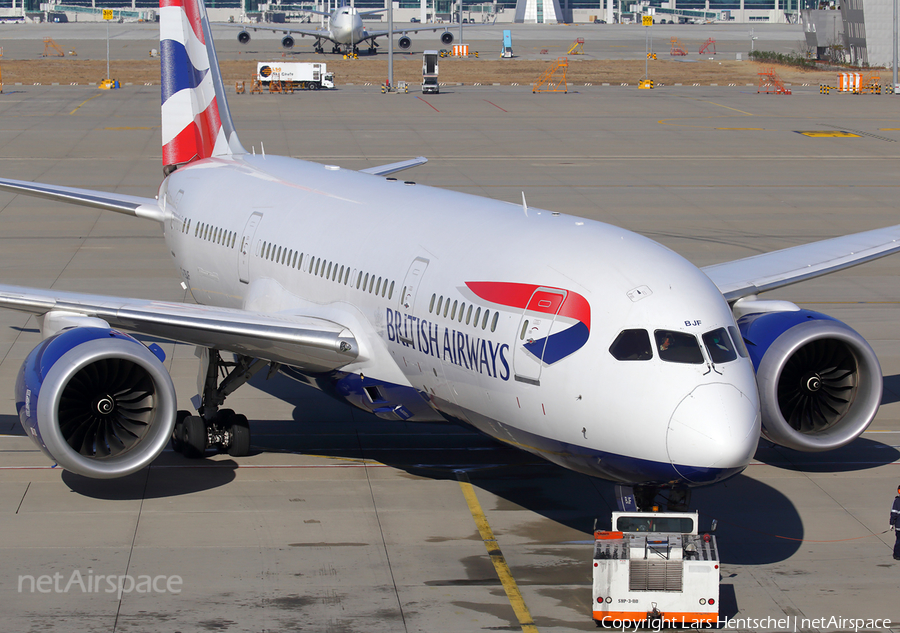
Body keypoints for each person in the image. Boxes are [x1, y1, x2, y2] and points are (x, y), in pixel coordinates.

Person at [892, 484, 900, 560]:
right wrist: (891, 523)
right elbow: (894, 513)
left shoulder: (897, 501)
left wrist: (891, 523)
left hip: (898, 526)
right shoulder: (897, 501)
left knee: (898, 540)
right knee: (899, 541)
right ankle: (897, 554)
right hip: (898, 526)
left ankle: (897, 554)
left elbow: (893, 513)